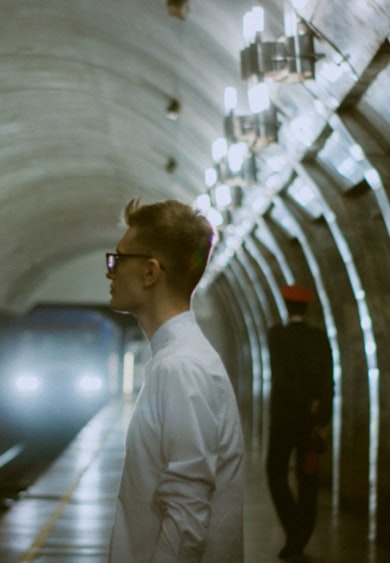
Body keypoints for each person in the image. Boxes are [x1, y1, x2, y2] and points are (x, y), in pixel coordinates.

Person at [106, 198, 245, 563]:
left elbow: (186, 517)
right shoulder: (177, 361)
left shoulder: (181, 368)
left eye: (119, 259)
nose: (111, 271)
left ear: (151, 272)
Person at [265, 284, 333, 560]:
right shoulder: (320, 338)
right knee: (308, 479)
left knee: (275, 473)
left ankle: (294, 532)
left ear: (286, 305)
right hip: (309, 422)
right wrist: (320, 415)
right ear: (307, 308)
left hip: (283, 420)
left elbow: (281, 378)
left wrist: (303, 401)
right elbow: (329, 382)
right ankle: (299, 536)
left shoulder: (276, 336)